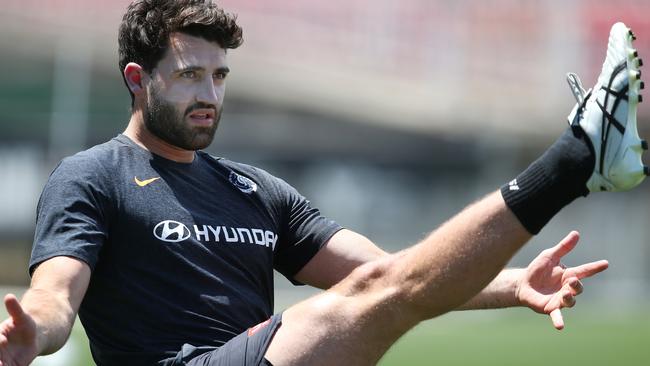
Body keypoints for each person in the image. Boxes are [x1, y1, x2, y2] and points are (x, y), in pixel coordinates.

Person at [0, 0, 645, 365]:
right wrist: (33, 329)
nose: (209, 95)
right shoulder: (91, 176)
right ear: (138, 79)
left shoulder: (256, 190)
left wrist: (511, 286)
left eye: (219, 77)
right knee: (362, 299)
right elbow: (57, 293)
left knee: (376, 287)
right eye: (191, 75)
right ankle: (574, 162)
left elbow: (391, 274)